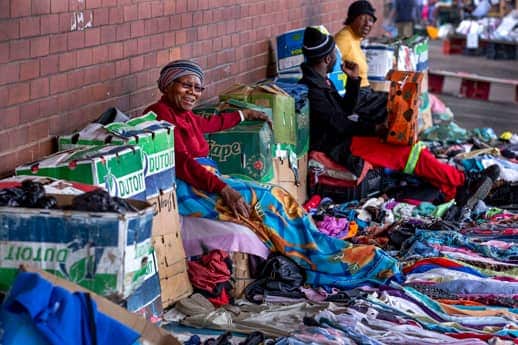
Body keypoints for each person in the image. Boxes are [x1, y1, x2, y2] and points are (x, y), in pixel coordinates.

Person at [144, 59, 402, 289]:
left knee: (278, 196)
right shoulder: (158, 116)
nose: (193, 93)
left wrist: (245, 114)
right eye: (185, 85)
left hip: (206, 180)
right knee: (268, 201)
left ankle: (318, 247)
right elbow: (183, 164)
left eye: (198, 88)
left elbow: (210, 123)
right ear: (167, 85)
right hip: (192, 188)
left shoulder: (183, 114)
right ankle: (315, 258)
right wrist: (224, 189)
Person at [300, 27, 500, 218]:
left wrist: (353, 80)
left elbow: (346, 110)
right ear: (327, 58)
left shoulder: (321, 82)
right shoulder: (314, 89)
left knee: (411, 148)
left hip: (344, 139)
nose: (337, 57)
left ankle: (455, 190)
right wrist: (375, 129)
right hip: (339, 146)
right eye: (334, 53)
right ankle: (465, 182)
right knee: (407, 152)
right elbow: (340, 124)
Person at [335, 0, 388, 125]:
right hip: (355, 95)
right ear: (352, 18)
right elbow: (331, 68)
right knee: (393, 102)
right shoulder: (343, 39)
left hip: (364, 92)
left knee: (394, 98)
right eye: (362, 18)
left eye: (370, 20)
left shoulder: (355, 38)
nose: (367, 24)